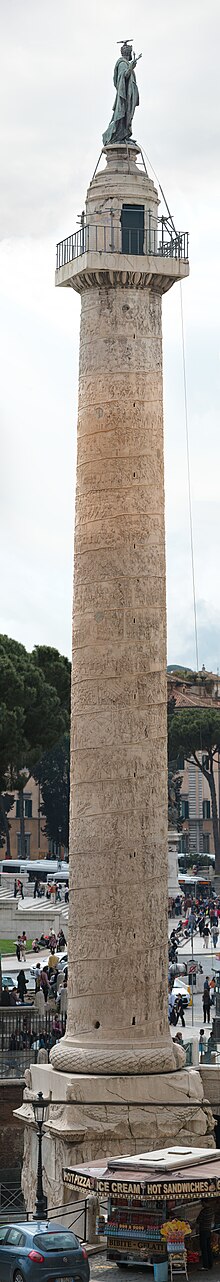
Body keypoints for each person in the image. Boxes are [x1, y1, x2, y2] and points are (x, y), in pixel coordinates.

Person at [103, 43, 142, 146]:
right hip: (125, 95)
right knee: (124, 114)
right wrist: (130, 68)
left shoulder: (125, 63)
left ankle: (125, 135)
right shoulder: (122, 63)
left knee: (129, 115)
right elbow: (122, 77)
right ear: (128, 53)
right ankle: (119, 135)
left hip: (130, 94)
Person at [199, 1199, 213, 1268]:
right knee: (208, 1248)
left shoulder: (203, 1211)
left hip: (203, 1231)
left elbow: (198, 1221)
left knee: (204, 1249)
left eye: (201, 1203)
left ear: (204, 1202)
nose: (201, 1204)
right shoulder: (211, 1210)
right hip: (208, 1231)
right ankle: (210, 1264)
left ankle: (205, 1265)